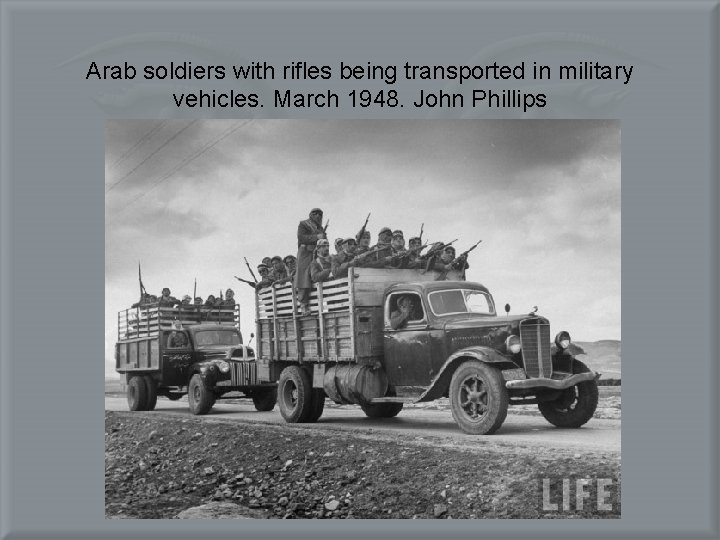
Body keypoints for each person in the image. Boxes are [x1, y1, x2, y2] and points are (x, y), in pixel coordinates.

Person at [295, 207, 326, 314]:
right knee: (304, 276)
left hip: (317, 253)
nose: (317, 216)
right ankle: (304, 305)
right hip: (305, 253)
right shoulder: (303, 224)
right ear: (310, 214)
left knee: (321, 273)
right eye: (315, 213)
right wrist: (317, 236)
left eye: (320, 214)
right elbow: (301, 237)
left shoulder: (320, 228)